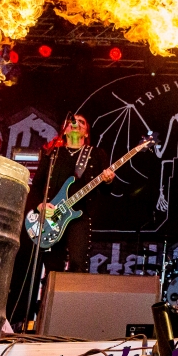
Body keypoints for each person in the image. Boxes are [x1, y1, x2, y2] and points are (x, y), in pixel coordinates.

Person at [29, 114, 115, 273]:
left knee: (77, 262)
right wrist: (40, 205)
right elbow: (36, 186)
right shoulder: (52, 154)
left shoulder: (96, 154)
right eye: (71, 121)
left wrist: (108, 180)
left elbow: (105, 190)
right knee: (52, 265)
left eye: (82, 122)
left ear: (86, 133)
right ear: (64, 130)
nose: (76, 124)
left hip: (80, 215)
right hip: (52, 215)